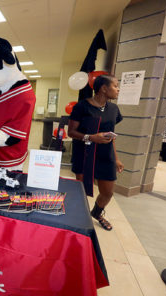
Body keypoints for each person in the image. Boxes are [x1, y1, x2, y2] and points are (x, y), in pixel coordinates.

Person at [68, 75, 124, 231]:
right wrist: (91, 137)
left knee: (108, 193)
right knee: (83, 192)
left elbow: (110, 136)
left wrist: (116, 159)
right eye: (115, 86)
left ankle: (96, 213)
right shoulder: (82, 107)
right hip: (85, 154)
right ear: (104, 88)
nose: (118, 89)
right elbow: (71, 132)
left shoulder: (114, 109)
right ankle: (79, 218)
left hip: (106, 156)